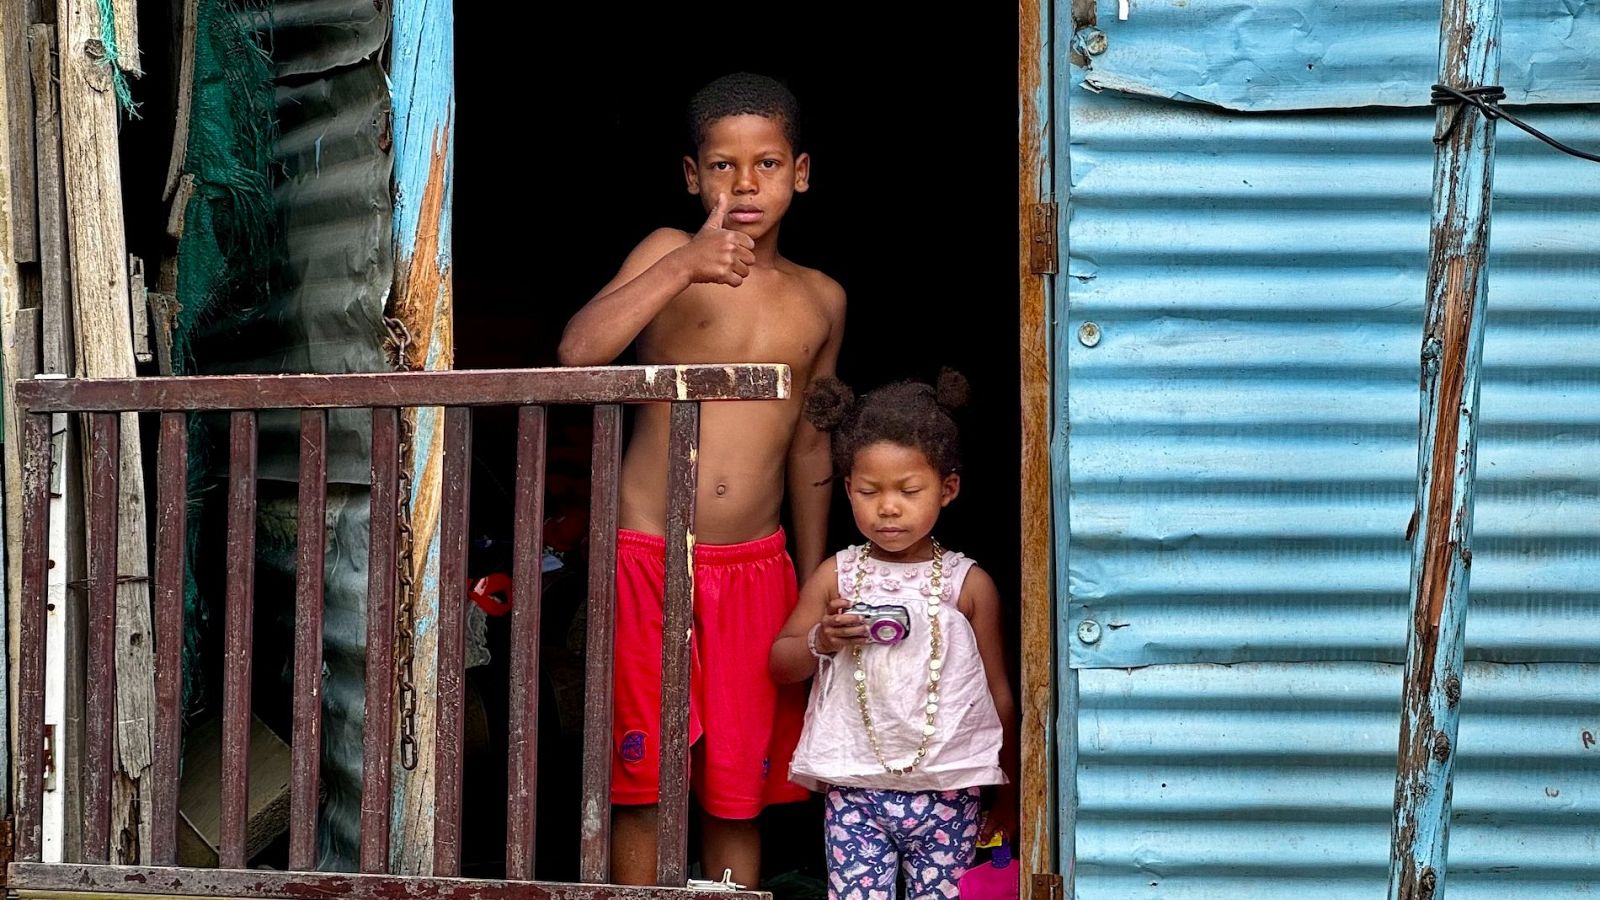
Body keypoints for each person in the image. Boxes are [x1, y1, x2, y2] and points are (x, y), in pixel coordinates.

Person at [557, 72, 846, 887]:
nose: (745, 185)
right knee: (644, 784)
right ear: (693, 176)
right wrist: (685, 264)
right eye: (723, 166)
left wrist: (811, 583)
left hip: (758, 569)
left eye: (767, 164)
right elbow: (578, 353)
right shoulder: (663, 252)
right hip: (650, 554)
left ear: (801, 173)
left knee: (737, 795)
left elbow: (812, 448)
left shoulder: (822, 299)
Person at [771, 371, 1018, 900]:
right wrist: (822, 639)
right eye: (869, 491)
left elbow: (998, 694)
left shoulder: (967, 585)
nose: (887, 506)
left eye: (908, 491)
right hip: (855, 788)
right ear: (847, 489)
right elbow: (781, 663)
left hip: (950, 788)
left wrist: (1012, 793)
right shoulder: (837, 575)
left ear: (948, 489)